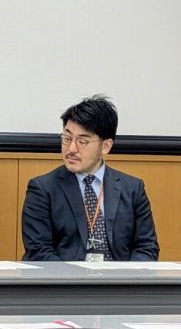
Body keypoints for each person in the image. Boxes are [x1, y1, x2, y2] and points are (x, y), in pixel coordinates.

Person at [22, 95, 159, 262]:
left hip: (120, 277)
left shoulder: (132, 189)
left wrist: (126, 276)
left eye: (82, 141)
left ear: (106, 146)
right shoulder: (42, 189)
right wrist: (75, 277)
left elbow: (146, 247)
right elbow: (38, 251)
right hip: (65, 277)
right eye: (67, 138)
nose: (71, 149)